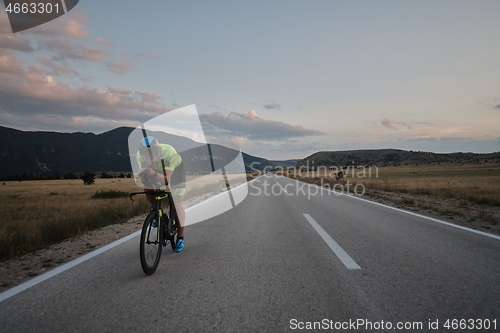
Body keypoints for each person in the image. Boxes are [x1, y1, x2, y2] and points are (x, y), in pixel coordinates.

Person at [136, 136, 186, 252]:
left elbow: (166, 180)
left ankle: (180, 237)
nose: (150, 159)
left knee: (176, 204)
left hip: (175, 172)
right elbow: (145, 180)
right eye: (146, 157)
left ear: (158, 152)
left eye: (152, 156)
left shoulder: (169, 153)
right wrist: (144, 176)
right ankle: (157, 213)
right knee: (148, 188)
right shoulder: (139, 155)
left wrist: (153, 174)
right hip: (156, 171)